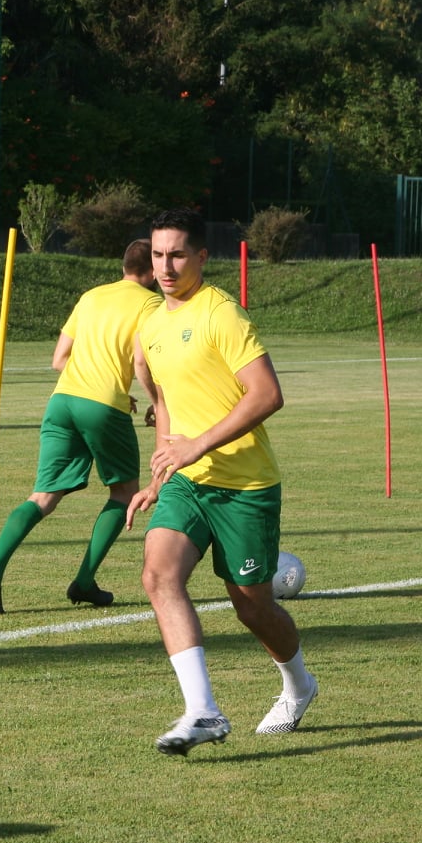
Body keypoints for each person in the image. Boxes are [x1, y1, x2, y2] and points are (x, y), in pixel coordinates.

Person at [126, 208, 317, 755]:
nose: (165, 265)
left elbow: (267, 394)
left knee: (252, 607)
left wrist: (196, 445)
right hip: (188, 482)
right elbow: (164, 403)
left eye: (178, 254)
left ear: (202, 258)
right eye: (158, 254)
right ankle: (203, 711)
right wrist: (163, 469)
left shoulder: (221, 314)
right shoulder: (151, 324)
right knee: (158, 574)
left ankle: (299, 686)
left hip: (245, 486)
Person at [0, 239, 160, 615]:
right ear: (152, 269)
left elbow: (59, 359)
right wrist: (158, 402)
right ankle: (84, 581)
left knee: (42, 497)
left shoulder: (92, 295)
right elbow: (142, 364)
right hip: (103, 408)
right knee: (125, 492)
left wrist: (102, 387)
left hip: (62, 401)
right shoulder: (152, 305)